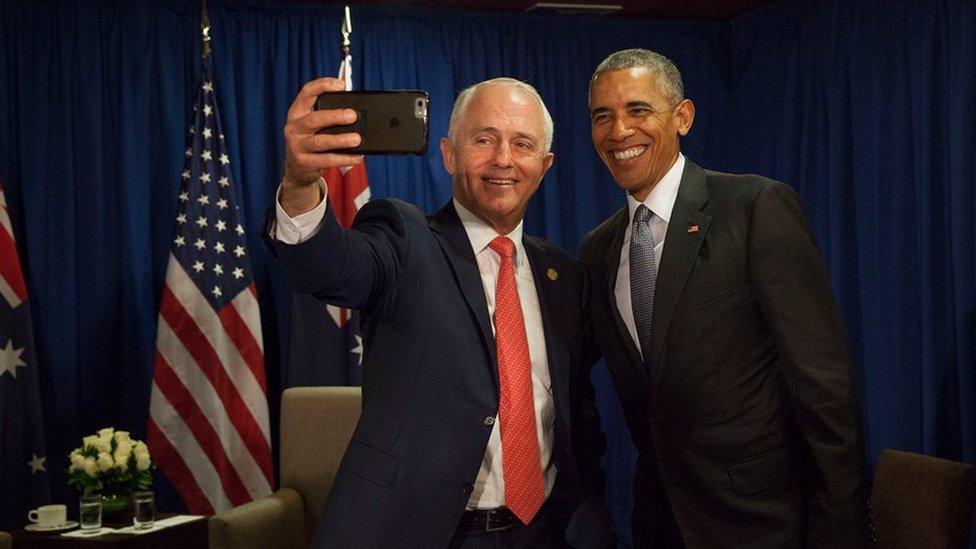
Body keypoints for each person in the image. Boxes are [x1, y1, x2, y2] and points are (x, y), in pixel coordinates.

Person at [267, 77, 613, 548]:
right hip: (426, 534)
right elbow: (330, 267)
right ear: (450, 154)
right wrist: (300, 181)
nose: (503, 159)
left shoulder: (565, 277)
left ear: (545, 165)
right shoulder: (405, 239)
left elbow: (576, 414)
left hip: (545, 533)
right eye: (484, 139)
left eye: (522, 144)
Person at [579, 49, 870, 548]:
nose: (618, 131)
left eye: (638, 110)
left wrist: (840, 530)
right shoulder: (598, 248)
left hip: (765, 523)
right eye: (602, 116)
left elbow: (824, 389)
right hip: (659, 525)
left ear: (683, 117)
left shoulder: (755, 207)